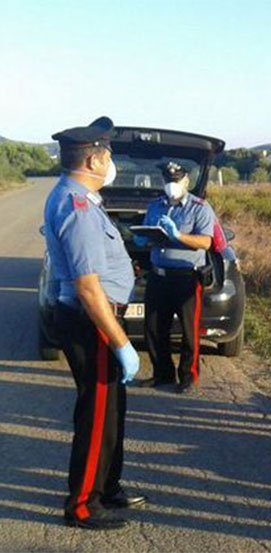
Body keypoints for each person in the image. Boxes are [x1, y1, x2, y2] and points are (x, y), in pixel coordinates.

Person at [44, 116, 145, 530]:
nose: (111, 161)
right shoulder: (78, 205)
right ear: (93, 159)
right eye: (107, 154)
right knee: (97, 414)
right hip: (93, 321)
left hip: (93, 318)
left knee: (112, 409)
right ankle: (83, 503)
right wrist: (121, 342)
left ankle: (108, 485)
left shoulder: (77, 197)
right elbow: (88, 288)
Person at [135, 161, 217, 394]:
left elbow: (205, 242)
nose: (172, 185)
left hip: (186, 278)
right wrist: (143, 237)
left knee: (189, 330)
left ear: (186, 182)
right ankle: (162, 373)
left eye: (177, 180)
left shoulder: (200, 208)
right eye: (168, 181)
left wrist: (178, 235)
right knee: (153, 327)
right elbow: (146, 231)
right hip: (158, 275)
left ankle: (188, 375)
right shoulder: (155, 206)